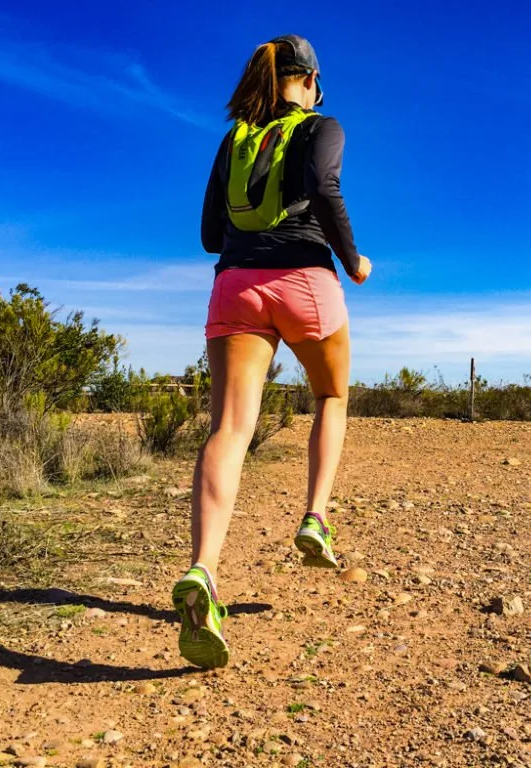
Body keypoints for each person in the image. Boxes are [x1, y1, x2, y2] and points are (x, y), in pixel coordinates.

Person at [171, 34, 372, 669]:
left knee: (230, 429)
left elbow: (209, 234)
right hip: (306, 281)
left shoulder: (233, 139)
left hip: (234, 287)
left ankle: (203, 571)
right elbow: (324, 184)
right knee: (331, 395)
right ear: (309, 82)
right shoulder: (320, 126)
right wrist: (353, 259)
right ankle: (315, 516)